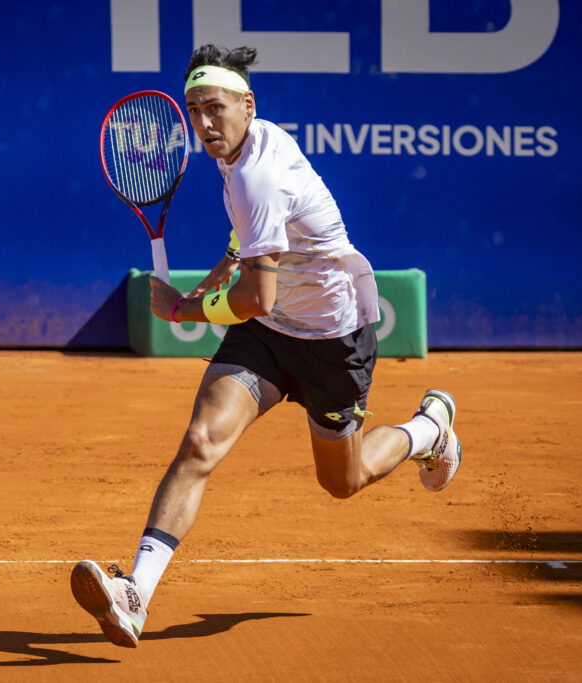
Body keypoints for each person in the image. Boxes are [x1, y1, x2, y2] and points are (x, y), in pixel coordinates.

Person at [71, 44, 462, 648]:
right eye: (194, 109)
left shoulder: (257, 172)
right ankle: (136, 594)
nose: (204, 123)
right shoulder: (246, 152)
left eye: (216, 108)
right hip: (267, 338)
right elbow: (243, 245)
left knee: (344, 480)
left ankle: (429, 431)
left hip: (334, 342)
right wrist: (199, 288)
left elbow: (253, 296)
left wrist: (185, 309)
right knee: (200, 441)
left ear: (246, 105)